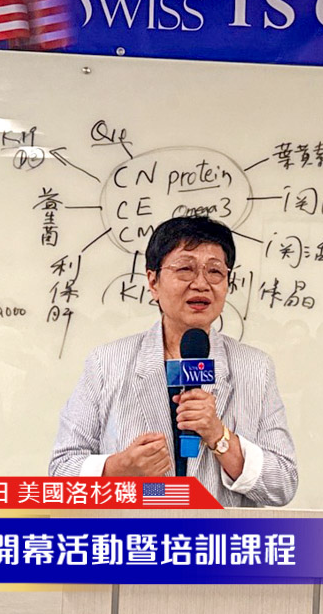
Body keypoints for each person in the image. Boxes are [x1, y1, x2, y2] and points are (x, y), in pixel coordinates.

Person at [49, 217, 297, 507]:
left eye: (215, 271)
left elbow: (283, 483)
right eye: (185, 269)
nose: (201, 284)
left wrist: (219, 436)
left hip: (218, 535)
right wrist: (118, 468)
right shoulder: (107, 363)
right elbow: (60, 472)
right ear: (153, 282)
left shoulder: (255, 368)